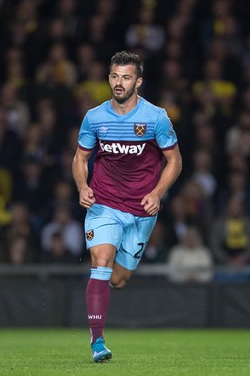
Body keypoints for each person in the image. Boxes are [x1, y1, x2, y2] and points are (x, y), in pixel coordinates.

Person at [72, 51, 182, 362]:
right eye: (115, 76)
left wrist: (158, 192)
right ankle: (97, 342)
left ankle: (106, 292)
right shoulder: (94, 117)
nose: (119, 83)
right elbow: (80, 158)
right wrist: (82, 187)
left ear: (139, 81)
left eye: (126, 77)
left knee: (118, 279)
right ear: (109, 78)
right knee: (101, 262)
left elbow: (174, 161)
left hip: (142, 210)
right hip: (104, 203)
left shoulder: (156, 117)